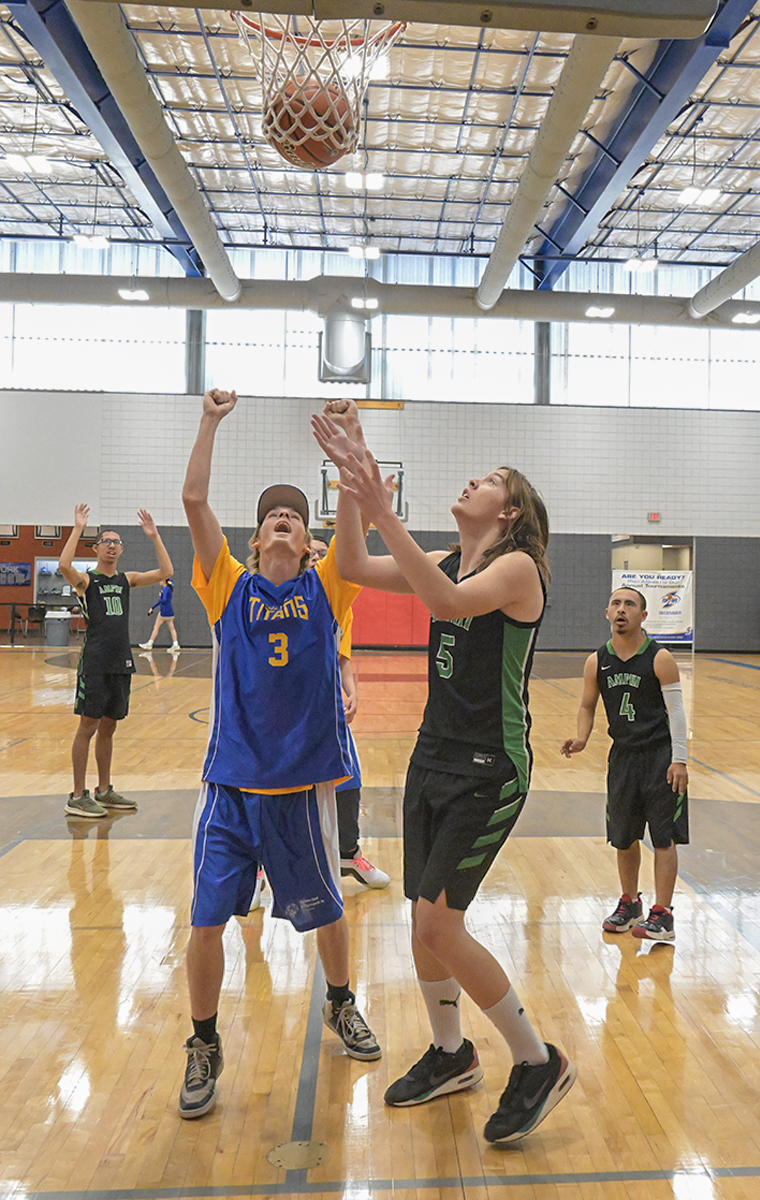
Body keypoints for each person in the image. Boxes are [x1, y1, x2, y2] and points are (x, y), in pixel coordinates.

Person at [315, 405, 576, 1146]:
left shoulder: (516, 567)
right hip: (433, 756)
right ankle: (452, 1054)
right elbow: (351, 566)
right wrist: (349, 480)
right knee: (421, 924)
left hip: (491, 769)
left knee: (438, 921)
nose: (472, 481)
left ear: (511, 509)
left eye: (488, 480)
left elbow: (444, 602)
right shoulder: (451, 559)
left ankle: (538, 1060)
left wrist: (380, 501)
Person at [177, 388, 380, 1120]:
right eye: (271, 514)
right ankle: (202, 1044)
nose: (282, 517)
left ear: (306, 537)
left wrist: (352, 440)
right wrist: (209, 420)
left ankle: (341, 1002)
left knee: (326, 910)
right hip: (231, 783)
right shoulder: (225, 585)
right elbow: (194, 498)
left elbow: (352, 522)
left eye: (292, 512)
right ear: (258, 540)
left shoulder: (330, 589)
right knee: (205, 920)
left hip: (300, 787)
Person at [560, 586, 689, 943]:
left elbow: (677, 713)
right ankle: (630, 904)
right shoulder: (597, 660)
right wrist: (582, 737)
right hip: (623, 758)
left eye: (629, 604)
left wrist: (680, 759)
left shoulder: (659, 658)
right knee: (623, 836)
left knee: (663, 838)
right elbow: (587, 705)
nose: (621, 610)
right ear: (606, 612)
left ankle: (662, 915)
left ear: (643, 616)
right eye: (615, 604)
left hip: (660, 757)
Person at [58, 503, 172, 819]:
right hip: (94, 661)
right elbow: (64, 565)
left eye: (117, 541)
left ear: (121, 550)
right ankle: (77, 794)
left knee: (109, 727)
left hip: (121, 661)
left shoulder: (126, 579)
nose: (112, 545)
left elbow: (166, 573)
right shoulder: (87, 581)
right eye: (106, 541)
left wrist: (154, 536)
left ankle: (104, 790)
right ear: (96, 548)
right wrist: (78, 528)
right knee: (88, 726)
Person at [309, 535, 390, 890]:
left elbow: (342, 658)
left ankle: (347, 854)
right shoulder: (276, 597)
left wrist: (351, 691)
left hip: (327, 707)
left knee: (349, 776)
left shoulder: (341, 606)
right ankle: (263, 865)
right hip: (284, 710)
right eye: (309, 553)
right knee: (277, 787)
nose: (315, 558)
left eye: (322, 555)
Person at [139, 575, 180, 651]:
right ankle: (176, 644)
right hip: (170, 611)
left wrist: (153, 607)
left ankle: (150, 644)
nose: (159, 581)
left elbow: (163, 600)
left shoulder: (165, 589)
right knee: (172, 628)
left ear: (164, 581)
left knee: (156, 627)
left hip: (164, 611)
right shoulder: (169, 589)